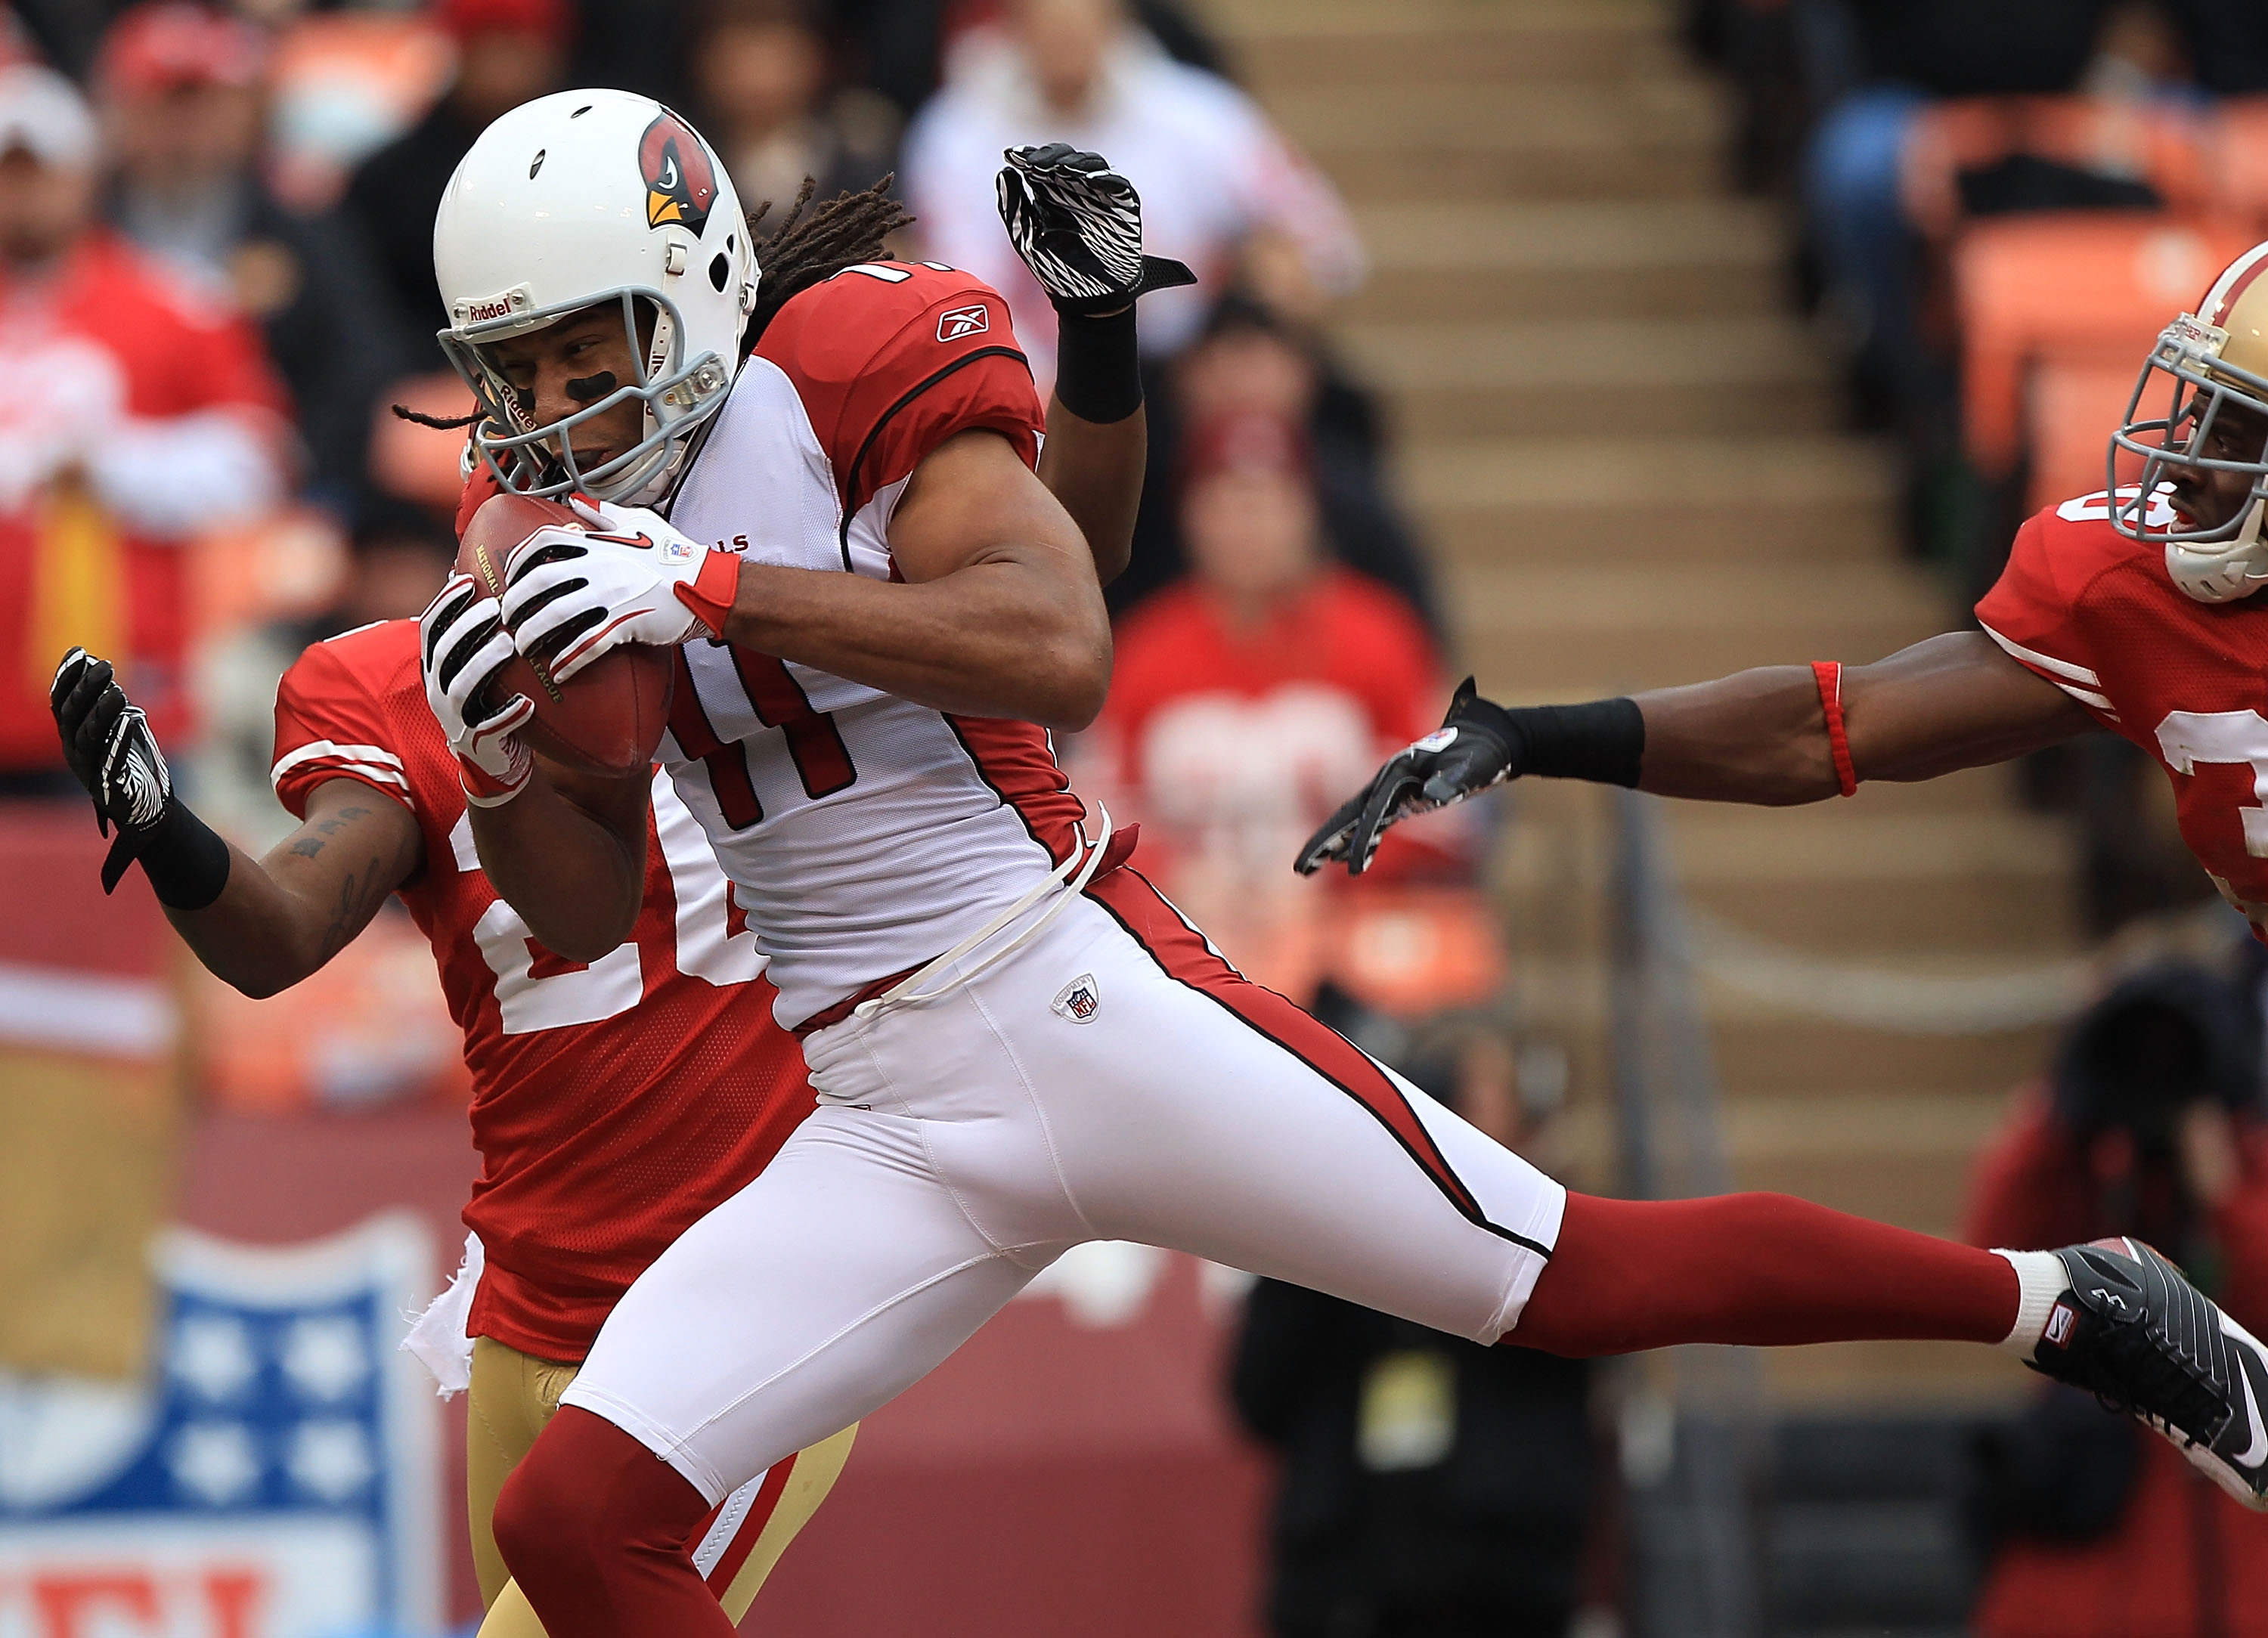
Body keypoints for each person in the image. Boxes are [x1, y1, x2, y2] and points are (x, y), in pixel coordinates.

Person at [255, 88, 2258, 1638]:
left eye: (573, 351)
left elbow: (1059, 638)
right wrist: (508, 759)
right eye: (506, 369)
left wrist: (712, 583)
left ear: (689, 282)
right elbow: (595, 907)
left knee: (1575, 1275)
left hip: (1068, 992)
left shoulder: (841, 359)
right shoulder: (535, 532)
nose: (539, 411)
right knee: (571, 1513)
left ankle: (2066, 1300)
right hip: (871, 1103)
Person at [48, 144, 1173, 1638]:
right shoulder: (399, 686)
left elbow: (1060, 588)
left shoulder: (762, 611)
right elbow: (283, 930)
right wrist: (169, 830)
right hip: (531, 1306)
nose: (565, 475)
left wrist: (1096, 347)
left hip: (748, 1301)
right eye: (527, 442)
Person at [1231, 1021, 1600, 1638]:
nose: (1470, 1128)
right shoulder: (1326, 1237)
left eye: (1486, 1101)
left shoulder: (1548, 1236)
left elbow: (1577, 1348)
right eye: (1450, 1105)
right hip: (1346, 1575)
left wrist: (1482, 1207)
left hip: (1500, 1579)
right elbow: (1254, 1395)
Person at [1084, 407, 1455, 992]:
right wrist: (1176, 877)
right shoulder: (1144, 649)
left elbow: (1442, 812)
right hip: (1182, 937)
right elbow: (1098, 817)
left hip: (1352, 948)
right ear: (1190, 516)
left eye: (1266, 501)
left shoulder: (1379, 635)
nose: (1246, 524)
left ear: (1309, 510)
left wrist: (1329, 875)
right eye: (1224, 503)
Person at [0, 61, 287, 791]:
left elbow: (256, 459)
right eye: (8, 174)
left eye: (39, 172)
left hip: (122, 688)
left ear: (85, 174)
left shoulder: (171, 302)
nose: (22, 195)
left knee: (131, 895)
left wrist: (108, 469)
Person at [1960, 963, 2268, 1638]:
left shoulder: (2248, 1166)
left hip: (2226, 1554)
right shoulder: (2080, 1166)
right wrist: (2062, 1102)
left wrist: (2221, 1187)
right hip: (2088, 1538)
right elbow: (1993, 1259)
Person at [900, 0, 1362, 389]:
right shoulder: (956, 134)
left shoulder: (1200, 115)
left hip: (1187, 374)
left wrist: (1268, 281)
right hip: (1038, 374)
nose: (1067, 39)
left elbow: (1327, 244)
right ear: (1015, 26)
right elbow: (971, 288)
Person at [96, 0, 411, 514]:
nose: (186, 128)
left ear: (249, 110)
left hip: (271, 496)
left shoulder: (304, 228)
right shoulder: (80, 226)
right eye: (164, 103)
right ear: (120, 110)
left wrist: (311, 471)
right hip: (101, 496)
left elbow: (359, 361)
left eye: (206, 103)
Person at [342, 0, 569, 334]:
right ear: (461, 49)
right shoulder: (386, 182)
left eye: (519, 44)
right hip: (431, 366)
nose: (504, 65)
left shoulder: (592, 158)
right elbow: (364, 311)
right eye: (490, 44)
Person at [689, 0, 897, 223]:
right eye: (741, 42)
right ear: (705, 61)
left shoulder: (858, 162)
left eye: (776, 42)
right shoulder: (683, 164)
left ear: (814, 57)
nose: (758, 67)